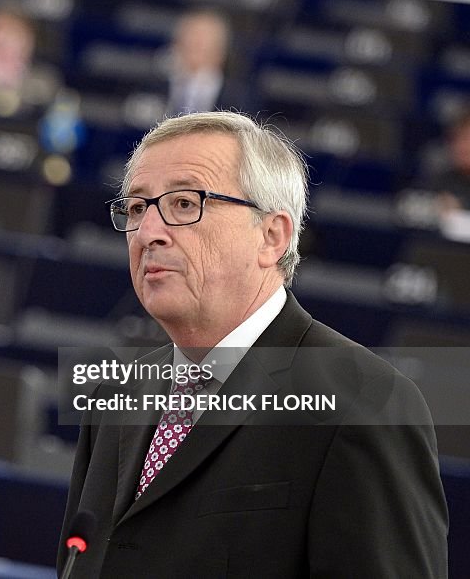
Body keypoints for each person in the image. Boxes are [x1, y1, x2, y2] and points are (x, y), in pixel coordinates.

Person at [59, 112, 447, 576]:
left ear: (272, 236)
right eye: (138, 208)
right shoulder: (117, 397)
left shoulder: (365, 403)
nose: (148, 233)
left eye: (184, 204)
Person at [164, 9, 248, 115]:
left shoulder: (238, 97)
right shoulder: (154, 86)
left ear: (220, 50)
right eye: (190, 37)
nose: (194, 43)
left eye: (202, 40)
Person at [430, 109, 470, 214]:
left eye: (466, 139)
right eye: (456, 139)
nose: (461, 146)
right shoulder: (439, 182)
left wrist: (462, 208)